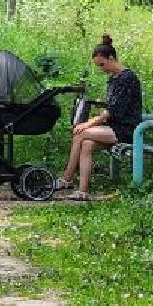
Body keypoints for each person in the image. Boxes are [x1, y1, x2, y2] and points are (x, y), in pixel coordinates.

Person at [57, 34, 142, 200]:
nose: (101, 69)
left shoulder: (127, 78)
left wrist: (88, 124)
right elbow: (113, 105)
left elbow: (113, 111)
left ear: (111, 58)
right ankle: (82, 191)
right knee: (87, 144)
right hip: (113, 126)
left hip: (127, 129)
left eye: (102, 64)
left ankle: (66, 179)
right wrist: (100, 103)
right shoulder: (114, 79)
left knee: (80, 133)